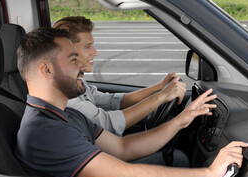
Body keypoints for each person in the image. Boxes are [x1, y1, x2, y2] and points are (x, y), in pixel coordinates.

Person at [15, 27, 248, 177]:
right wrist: (211, 173)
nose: (83, 67)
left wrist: (181, 120)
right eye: (73, 60)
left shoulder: (67, 114)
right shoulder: (46, 131)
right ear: (46, 70)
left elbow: (122, 147)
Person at [53, 16, 186, 136]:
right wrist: (161, 97)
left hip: (107, 150)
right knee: (181, 159)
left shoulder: (78, 82)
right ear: (68, 51)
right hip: (101, 157)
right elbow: (109, 124)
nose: (95, 52)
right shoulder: (68, 97)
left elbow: (113, 101)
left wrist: (159, 87)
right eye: (88, 46)